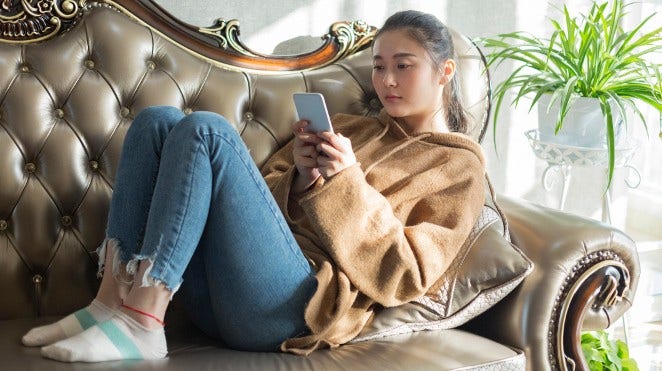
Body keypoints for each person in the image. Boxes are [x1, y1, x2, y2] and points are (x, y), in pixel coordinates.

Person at [21, 9, 485, 362]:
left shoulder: (458, 168)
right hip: (222, 294)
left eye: (403, 66)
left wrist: (346, 182)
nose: (385, 80)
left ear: (445, 72)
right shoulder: (350, 128)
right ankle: (111, 302)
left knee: (208, 131)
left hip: (292, 309)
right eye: (379, 66)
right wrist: (300, 181)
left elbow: (406, 276)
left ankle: (143, 320)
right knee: (155, 122)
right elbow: (253, 200)